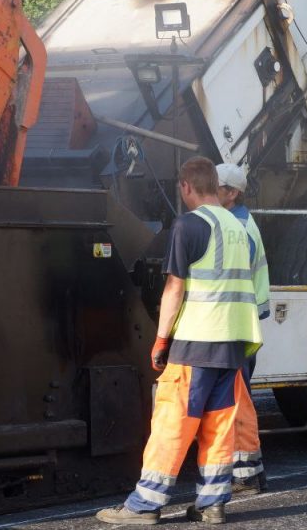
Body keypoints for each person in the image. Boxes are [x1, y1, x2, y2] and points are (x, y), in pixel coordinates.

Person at [96, 157, 263, 526]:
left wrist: (160, 340)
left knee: (173, 421)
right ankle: (212, 504)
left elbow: (174, 288)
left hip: (197, 341)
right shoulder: (240, 227)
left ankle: (144, 505)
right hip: (233, 342)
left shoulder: (189, 225)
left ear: (186, 186)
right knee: (218, 426)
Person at [216, 163, 271, 496]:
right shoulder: (239, 223)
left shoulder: (236, 229)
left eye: (216, 186)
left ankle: (246, 475)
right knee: (240, 397)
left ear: (232, 193)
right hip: (244, 322)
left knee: (236, 399)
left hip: (236, 325)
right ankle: (252, 470)